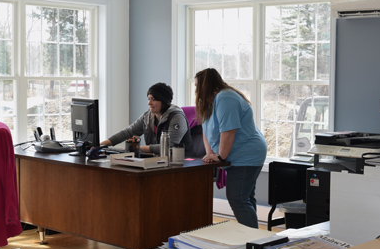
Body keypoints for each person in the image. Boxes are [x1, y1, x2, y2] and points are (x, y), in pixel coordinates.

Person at [194, 68, 267, 228]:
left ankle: (252, 242)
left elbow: (228, 130)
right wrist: (210, 154)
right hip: (239, 155)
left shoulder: (225, 97)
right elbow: (205, 130)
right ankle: (253, 240)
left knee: (238, 198)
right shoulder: (211, 102)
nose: (196, 90)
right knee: (245, 198)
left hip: (247, 154)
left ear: (205, 86)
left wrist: (220, 157)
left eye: (197, 86)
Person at [99, 82, 191, 155]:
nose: (149, 103)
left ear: (164, 101)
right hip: (157, 160)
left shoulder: (177, 117)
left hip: (180, 163)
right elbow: (128, 132)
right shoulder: (147, 116)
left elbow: (169, 146)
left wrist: (138, 148)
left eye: (153, 99)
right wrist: (101, 145)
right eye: (148, 99)